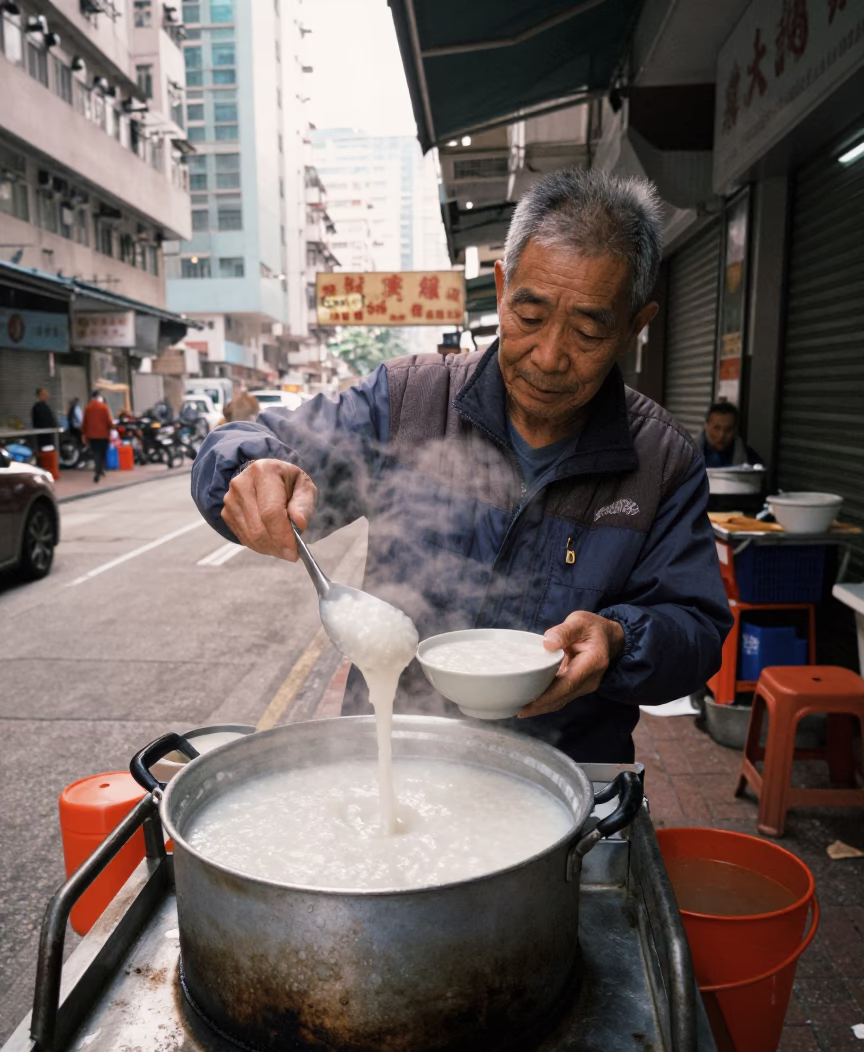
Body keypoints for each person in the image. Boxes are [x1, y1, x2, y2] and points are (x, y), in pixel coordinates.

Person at [191, 168, 733, 763]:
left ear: (634, 325)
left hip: (567, 776)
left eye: (586, 331)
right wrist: (251, 469)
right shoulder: (407, 403)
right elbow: (256, 440)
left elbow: (698, 629)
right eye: (529, 317)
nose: (550, 357)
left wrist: (621, 639)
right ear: (502, 287)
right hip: (392, 760)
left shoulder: (661, 458)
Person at [700, 401, 763, 469]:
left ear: (735, 429)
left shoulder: (750, 459)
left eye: (728, 429)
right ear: (706, 426)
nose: (721, 435)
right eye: (717, 428)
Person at [81, 390, 114, 484]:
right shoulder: (104, 407)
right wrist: (112, 427)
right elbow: (109, 421)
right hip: (103, 435)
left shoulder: (88, 408)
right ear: (98, 397)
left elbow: (84, 423)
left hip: (92, 436)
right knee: (103, 453)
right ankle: (99, 470)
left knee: (96, 453)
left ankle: (98, 471)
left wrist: (84, 434)